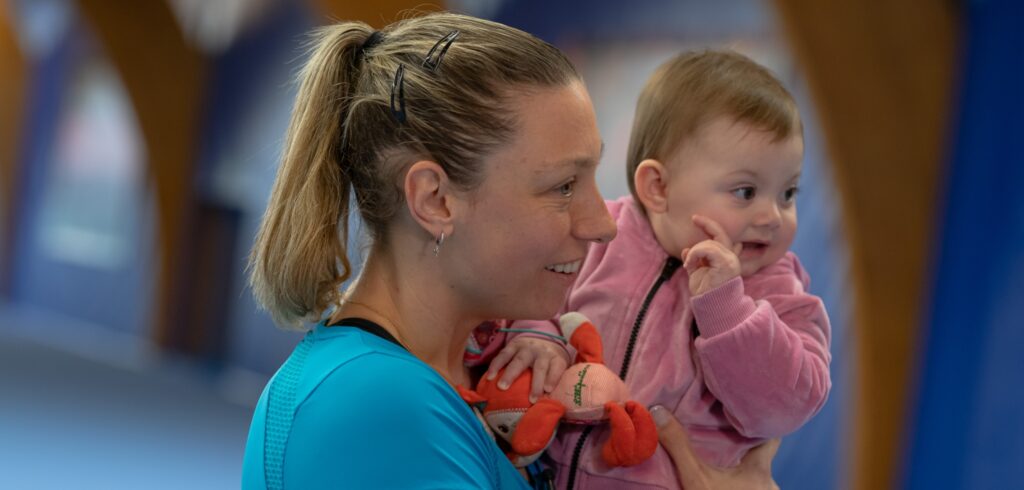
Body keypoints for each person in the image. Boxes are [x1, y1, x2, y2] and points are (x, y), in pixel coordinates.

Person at [241, 11, 783, 488]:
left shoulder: (482, 369)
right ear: (435, 200)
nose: (604, 223)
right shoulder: (374, 404)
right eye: (564, 186)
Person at [481, 49, 832, 489]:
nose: (772, 217)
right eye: (746, 191)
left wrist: (729, 310)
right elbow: (531, 289)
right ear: (658, 187)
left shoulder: (777, 289)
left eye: (788, 193)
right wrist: (538, 333)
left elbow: (787, 405)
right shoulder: (598, 239)